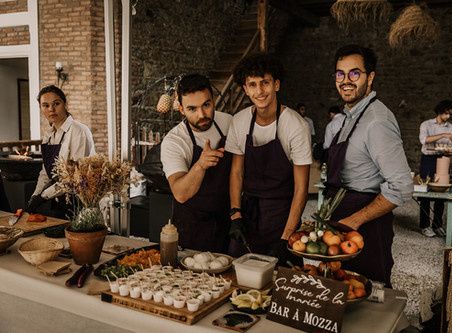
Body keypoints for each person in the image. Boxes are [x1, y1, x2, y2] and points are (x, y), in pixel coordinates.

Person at [325, 44, 413, 286]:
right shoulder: (349, 117)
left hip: (367, 226)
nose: (346, 80)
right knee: (340, 293)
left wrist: (356, 219)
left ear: (370, 77)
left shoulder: (377, 121)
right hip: (341, 215)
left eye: (354, 73)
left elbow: (402, 186)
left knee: (368, 296)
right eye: (340, 74)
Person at [225, 53, 312, 265]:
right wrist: (236, 215)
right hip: (248, 212)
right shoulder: (239, 121)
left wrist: (286, 237)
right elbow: (237, 172)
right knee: (237, 274)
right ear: (245, 89)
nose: (259, 91)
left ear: (276, 85)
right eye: (252, 85)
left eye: (265, 83)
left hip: (282, 214)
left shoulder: (296, 126)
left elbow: (301, 188)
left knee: (281, 281)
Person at [160, 74, 233, 253]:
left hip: (228, 221)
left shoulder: (229, 123)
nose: (202, 115)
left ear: (213, 101)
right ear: (181, 109)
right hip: (193, 228)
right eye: (192, 109)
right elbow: (180, 193)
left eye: (206, 105)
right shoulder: (174, 141)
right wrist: (200, 165)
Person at [27, 85, 96, 218]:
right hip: (57, 199)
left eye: (56, 104)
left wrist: (44, 196)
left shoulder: (78, 131)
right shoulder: (49, 135)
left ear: (65, 104)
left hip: (79, 200)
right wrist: (35, 195)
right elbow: (46, 172)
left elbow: (75, 176)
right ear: (41, 109)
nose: (51, 109)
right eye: (45, 105)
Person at [418, 100, 452, 237]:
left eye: (450, 114)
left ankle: (437, 225)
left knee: (441, 191)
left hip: (442, 159)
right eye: (446, 113)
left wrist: (450, 150)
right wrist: (443, 135)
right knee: (426, 191)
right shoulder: (426, 124)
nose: (448, 116)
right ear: (439, 111)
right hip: (427, 159)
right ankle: (424, 225)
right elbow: (424, 140)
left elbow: (450, 149)